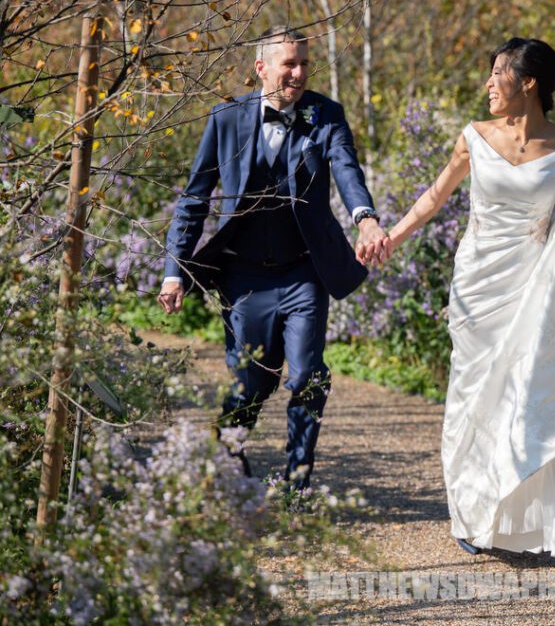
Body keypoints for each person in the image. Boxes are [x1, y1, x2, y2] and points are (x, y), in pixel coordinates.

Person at [373, 37, 555, 576]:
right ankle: (476, 517)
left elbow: (552, 214)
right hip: (479, 286)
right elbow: (434, 197)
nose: (487, 84)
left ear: (527, 83)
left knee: (545, 390)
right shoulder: (473, 138)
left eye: (498, 74)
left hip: (536, 282)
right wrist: (391, 236)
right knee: (475, 397)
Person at [157, 26, 388, 489]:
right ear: (261, 68)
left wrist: (366, 218)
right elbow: (194, 199)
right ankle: (229, 462)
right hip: (242, 275)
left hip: (304, 270)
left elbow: (346, 169)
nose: (299, 72)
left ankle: (298, 478)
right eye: (289, 63)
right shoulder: (225, 118)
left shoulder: (326, 115)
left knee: (307, 374)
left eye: (305, 63)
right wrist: (173, 271)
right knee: (251, 383)